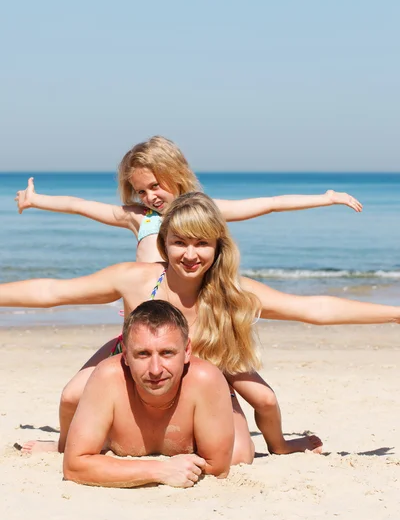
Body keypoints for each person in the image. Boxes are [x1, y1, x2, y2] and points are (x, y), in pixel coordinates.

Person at [2, 193, 395, 458]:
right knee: (72, 397)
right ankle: (62, 446)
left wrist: (394, 313)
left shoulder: (231, 290)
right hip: (137, 358)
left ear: (217, 247)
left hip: (207, 366)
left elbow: (314, 309)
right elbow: (53, 290)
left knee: (247, 442)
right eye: (179, 243)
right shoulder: (137, 278)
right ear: (164, 244)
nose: (190, 255)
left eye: (202, 244)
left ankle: (280, 446)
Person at [15, 136, 362, 263]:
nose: (150, 196)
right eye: (141, 191)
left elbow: (269, 203)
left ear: (175, 174)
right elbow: (80, 206)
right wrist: (37, 200)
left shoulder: (204, 210)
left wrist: (325, 197)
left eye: (155, 185)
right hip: (147, 308)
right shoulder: (139, 218)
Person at [63, 300, 240, 488]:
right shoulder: (108, 377)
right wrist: (160, 470)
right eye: (143, 354)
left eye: (167, 353)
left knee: (241, 453)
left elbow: (217, 468)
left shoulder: (206, 379)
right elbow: (74, 467)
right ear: (125, 354)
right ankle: (55, 444)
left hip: (219, 404)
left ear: (187, 351)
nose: (155, 370)